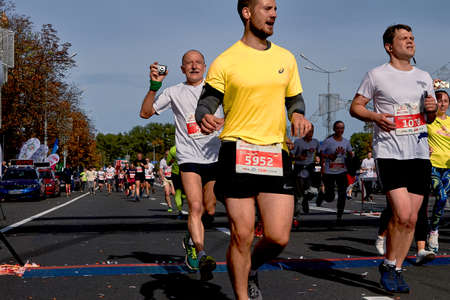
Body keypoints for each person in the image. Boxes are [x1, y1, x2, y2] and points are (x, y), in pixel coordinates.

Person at [195, 0, 311, 298]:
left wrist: (297, 114)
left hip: (274, 153)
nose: (274, 14)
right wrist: (204, 115)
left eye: (275, 9)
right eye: (267, 8)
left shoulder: (286, 58)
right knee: (242, 234)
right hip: (237, 150)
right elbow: (207, 100)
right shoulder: (226, 60)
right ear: (247, 13)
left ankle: (252, 268)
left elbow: (295, 99)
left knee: (277, 236)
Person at [350, 24, 437, 293]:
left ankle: (395, 267)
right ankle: (389, 264)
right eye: (403, 38)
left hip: (419, 153)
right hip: (390, 152)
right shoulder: (376, 75)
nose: (410, 42)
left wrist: (432, 111)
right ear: (389, 46)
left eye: (412, 37)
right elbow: (355, 107)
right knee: (400, 213)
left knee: (411, 218)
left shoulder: (424, 76)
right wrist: (375, 117)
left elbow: (429, 116)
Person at [139, 49, 222, 279]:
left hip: (214, 157)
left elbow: (237, 112)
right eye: (189, 63)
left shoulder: (217, 89)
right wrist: (154, 86)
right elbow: (145, 113)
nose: (194, 66)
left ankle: (190, 238)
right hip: (189, 158)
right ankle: (200, 251)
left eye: (198, 62)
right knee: (195, 207)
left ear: (205, 67)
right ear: (182, 68)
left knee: (210, 209)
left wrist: (221, 121)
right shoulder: (174, 92)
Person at [427, 88, 450, 253]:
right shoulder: (428, 121)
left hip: (448, 168)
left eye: (445, 101)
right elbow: (415, 136)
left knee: (442, 201)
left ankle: (433, 229)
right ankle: (433, 231)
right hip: (432, 165)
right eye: (439, 100)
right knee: (440, 196)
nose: (442, 104)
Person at [319, 121, 353, 223]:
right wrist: (330, 156)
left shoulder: (346, 142)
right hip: (329, 172)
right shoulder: (328, 141)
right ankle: (323, 195)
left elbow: (351, 154)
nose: (340, 130)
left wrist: (350, 156)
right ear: (334, 129)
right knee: (330, 197)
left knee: (342, 194)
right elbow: (320, 153)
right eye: (338, 128)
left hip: (342, 172)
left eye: (342, 128)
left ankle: (339, 215)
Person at [291, 125, 319, 214]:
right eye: (308, 131)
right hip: (299, 169)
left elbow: (319, 153)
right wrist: (298, 157)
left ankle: (305, 200)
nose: (310, 133)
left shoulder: (315, 142)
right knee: (299, 193)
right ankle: (296, 213)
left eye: (312, 131)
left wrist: (318, 158)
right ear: (304, 132)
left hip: (310, 169)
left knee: (313, 191)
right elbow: (291, 156)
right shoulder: (298, 142)